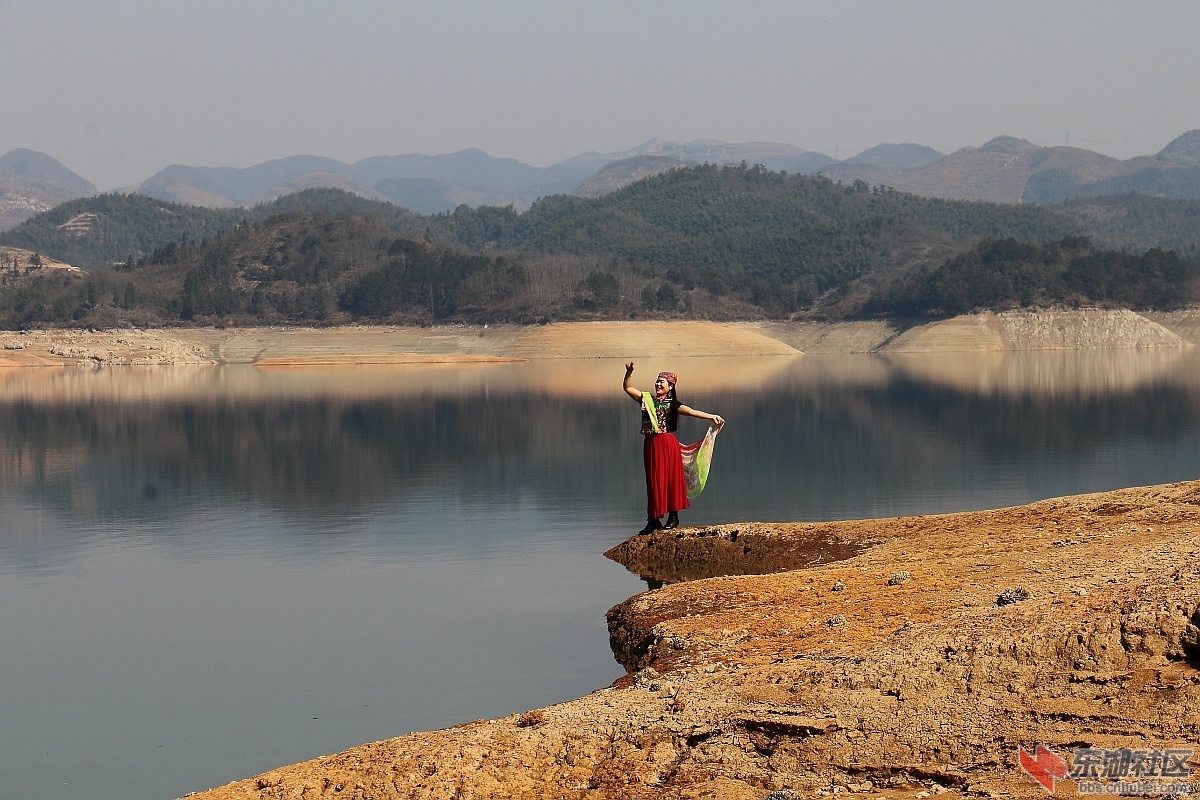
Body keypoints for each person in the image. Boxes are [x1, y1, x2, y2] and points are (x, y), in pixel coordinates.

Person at [623, 361, 724, 534]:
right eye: (657, 381)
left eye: (662, 381)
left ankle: (673, 517)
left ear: (670, 386)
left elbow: (692, 411)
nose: (658, 384)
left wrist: (711, 416)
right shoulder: (647, 400)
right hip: (650, 444)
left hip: (667, 444)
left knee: (670, 479)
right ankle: (653, 520)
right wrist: (629, 372)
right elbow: (628, 387)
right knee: (653, 481)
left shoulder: (672, 404)